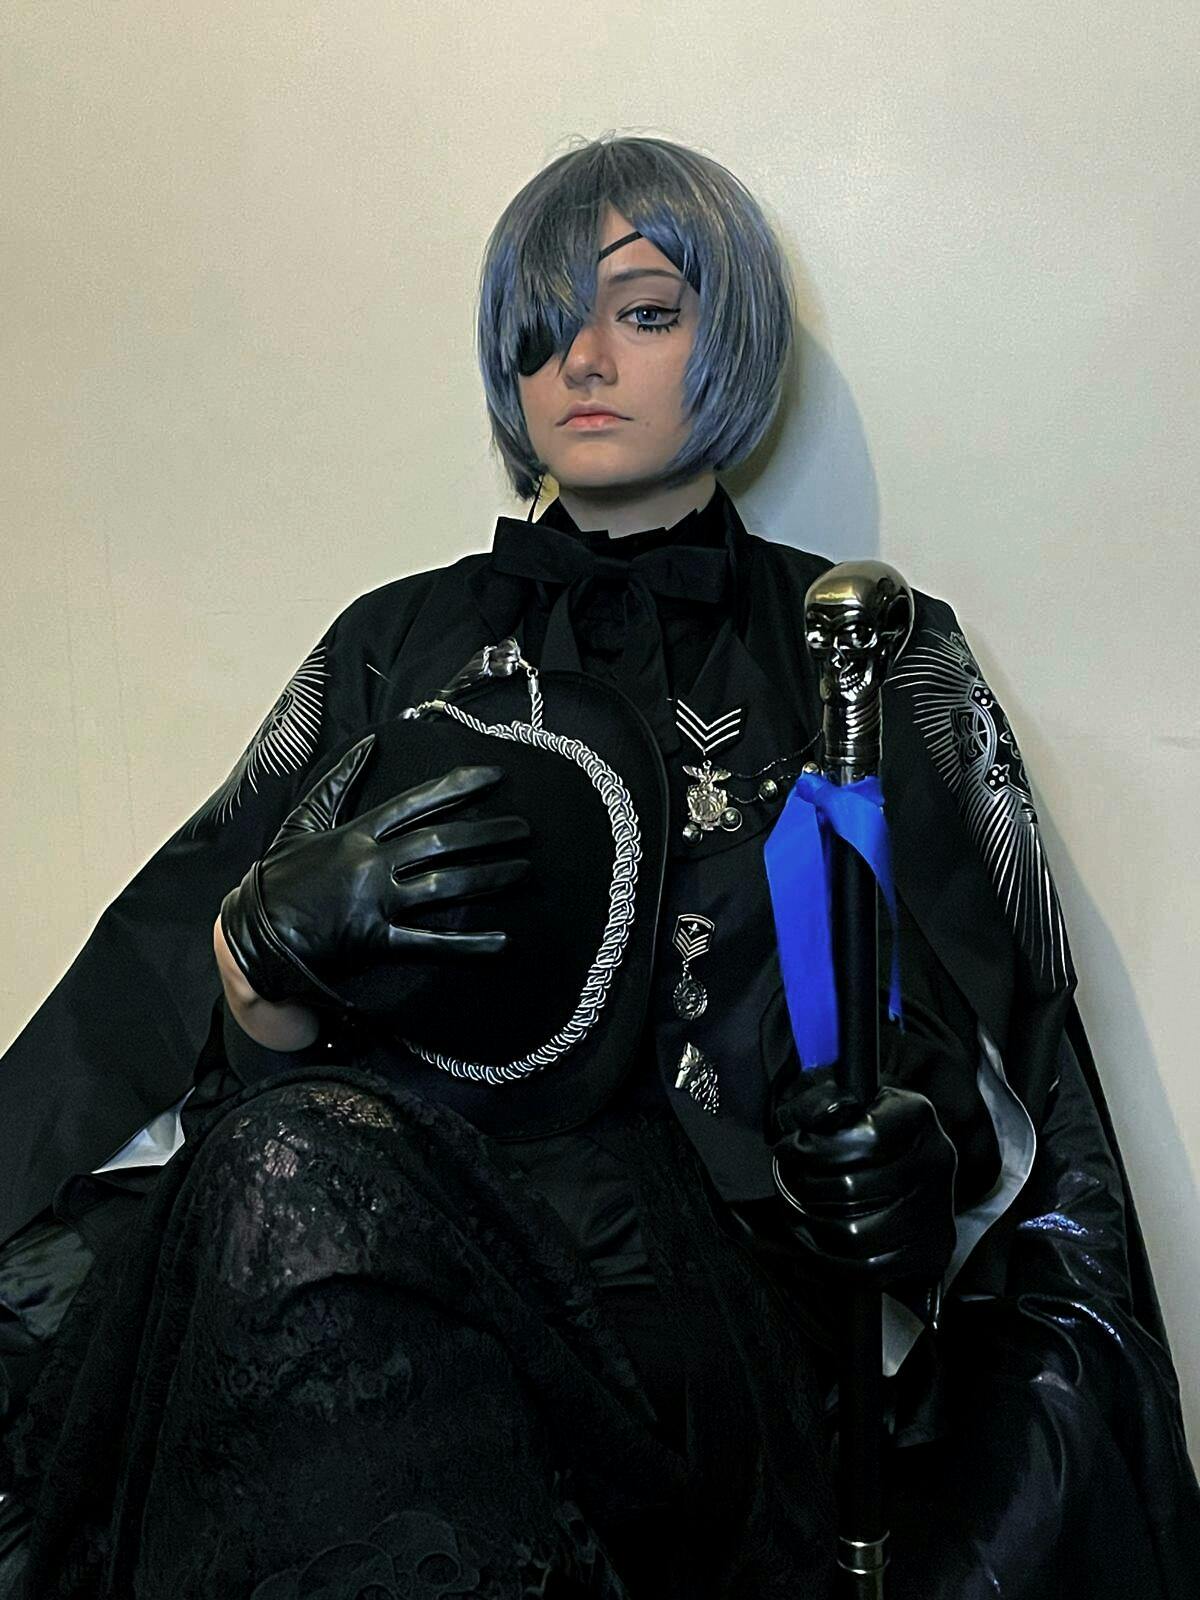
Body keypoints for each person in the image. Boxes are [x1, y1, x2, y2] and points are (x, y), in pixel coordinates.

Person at [0, 134, 1197, 1599]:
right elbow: (191, 1038)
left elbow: (980, 1049)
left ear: (730, 336)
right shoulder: (390, 649)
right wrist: (264, 961)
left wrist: (912, 1171)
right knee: (282, 1182)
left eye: (641, 312)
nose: (580, 360)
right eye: (542, 325)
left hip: (708, 1329)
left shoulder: (858, 654)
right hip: (394, 1255)